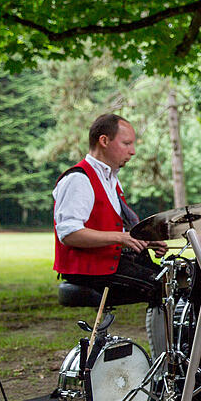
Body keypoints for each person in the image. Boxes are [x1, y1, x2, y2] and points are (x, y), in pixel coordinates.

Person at [53, 113, 167, 306]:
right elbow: (69, 234)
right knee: (163, 285)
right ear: (104, 141)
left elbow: (111, 228)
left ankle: (169, 336)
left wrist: (143, 242)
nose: (133, 151)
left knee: (176, 279)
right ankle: (170, 336)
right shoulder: (78, 179)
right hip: (89, 272)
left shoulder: (111, 180)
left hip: (106, 265)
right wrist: (120, 237)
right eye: (126, 143)